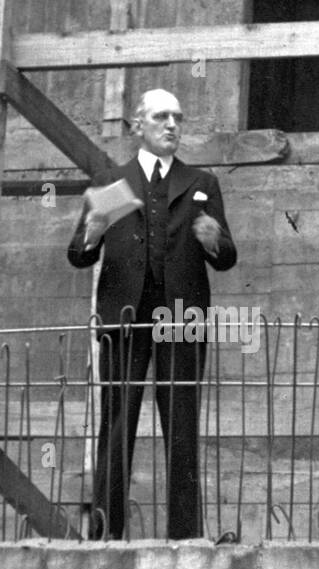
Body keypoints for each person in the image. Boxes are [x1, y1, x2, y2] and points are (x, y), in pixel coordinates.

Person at [67, 88, 237, 540]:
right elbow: (80, 256)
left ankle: (185, 537)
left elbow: (225, 258)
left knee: (181, 424)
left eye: (178, 117)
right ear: (136, 125)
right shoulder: (111, 182)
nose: (172, 125)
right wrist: (92, 231)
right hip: (125, 317)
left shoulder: (202, 183)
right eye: (161, 116)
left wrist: (213, 239)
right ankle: (107, 533)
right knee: (117, 423)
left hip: (181, 318)